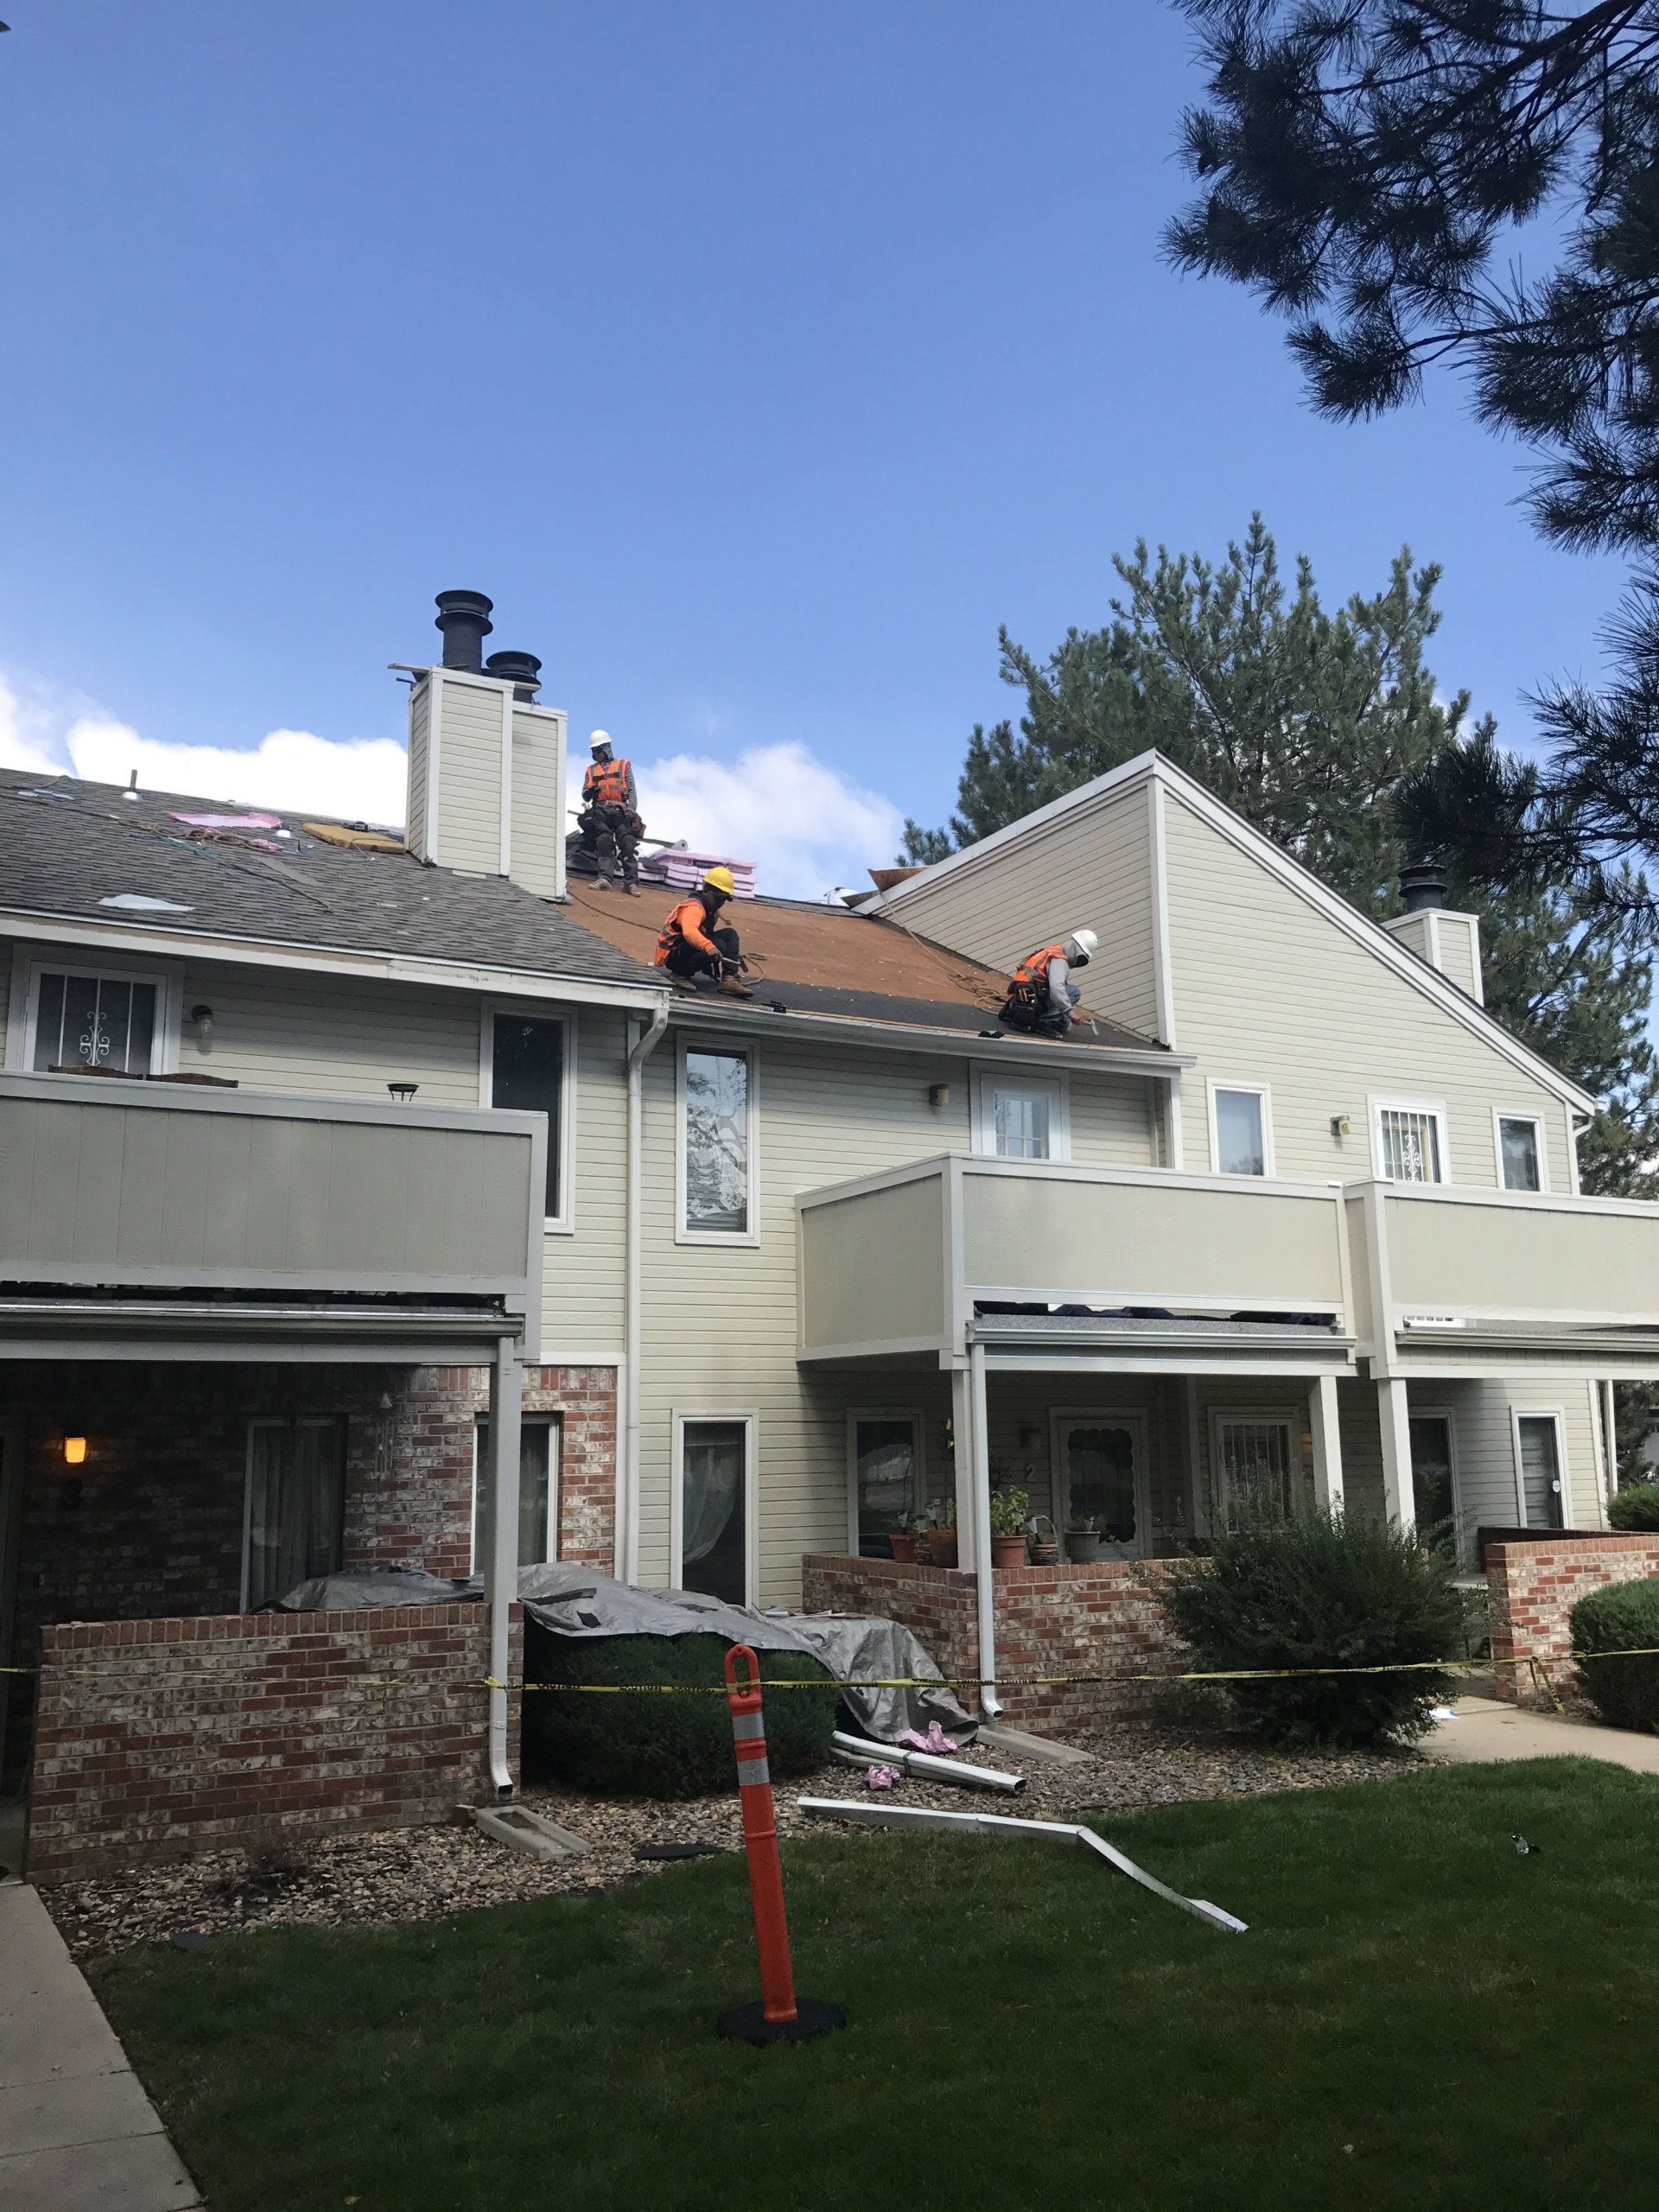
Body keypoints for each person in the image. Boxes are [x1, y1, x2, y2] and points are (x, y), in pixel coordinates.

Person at [654, 866, 753, 998]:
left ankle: (729, 979)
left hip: (684, 949)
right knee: (717, 944)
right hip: (673, 955)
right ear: (706, 890)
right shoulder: (694, 908)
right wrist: (709, 947)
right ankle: (680, 974)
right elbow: (690, 933)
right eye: (717, 898)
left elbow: (707, 934)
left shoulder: (712, 911)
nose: (720, 903)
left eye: (723, 900)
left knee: (729, 934)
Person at [1000, 929, 1099, 1036]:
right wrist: (1070, 1013)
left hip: (1017, 1002)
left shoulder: (1053, 951)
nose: (1077, 962)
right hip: (1028, 1003)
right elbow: (1056, 987)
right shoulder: (1059, 959)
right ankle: (1041, 1022)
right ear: (1076, 950)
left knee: (1064, 1025)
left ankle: (1021, 1017)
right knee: (1074, 992)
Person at [578, 730, 643, 893]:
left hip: (620, 809)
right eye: (594, 751)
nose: (596, 754)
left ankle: (631, 883)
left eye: (599, 750)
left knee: (628, 842)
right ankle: (605, 878)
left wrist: (631, 810)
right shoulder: (591, 770)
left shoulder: (623, 765)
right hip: (600, 809)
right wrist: (590, 791)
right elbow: (585, 795)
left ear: (606, 749)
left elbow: (632, 791)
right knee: (604, 842)